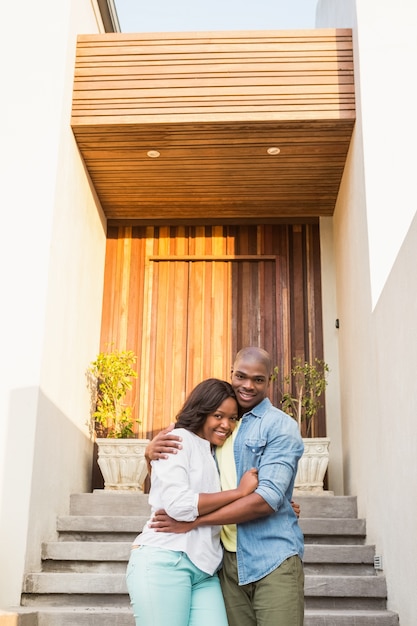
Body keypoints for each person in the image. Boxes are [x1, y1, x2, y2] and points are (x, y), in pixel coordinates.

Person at [147, 346, 305, 626]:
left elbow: (266, 500)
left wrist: (195, 522)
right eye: (241, 376)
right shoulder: (215, 428)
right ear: (231, 373)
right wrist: (149, 455)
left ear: (269, 381)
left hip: (273, 555)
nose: (248, 385)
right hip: (225, 564)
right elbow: (184, 476)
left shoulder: (279, 426)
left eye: (258, 379)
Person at [125, 377, 259, 626]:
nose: (226, 425)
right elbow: (179, 505)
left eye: (232, 418)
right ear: (202, 411)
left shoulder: (215, 450)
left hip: (205, 570)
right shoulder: (178, 439)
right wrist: (239, 493)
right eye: (218, 416)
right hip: (166, 560)